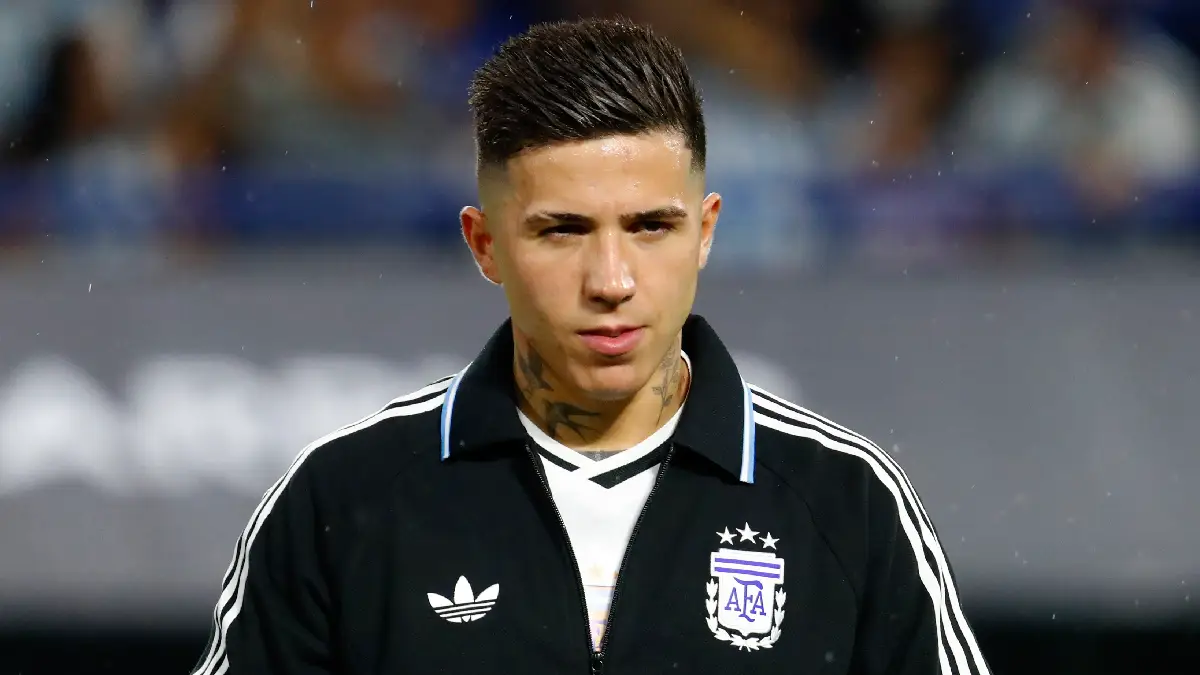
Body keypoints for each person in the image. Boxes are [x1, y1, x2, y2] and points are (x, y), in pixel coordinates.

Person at [189, 16, 991, 675]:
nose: (611, 279)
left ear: (706, 231)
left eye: (650, 227)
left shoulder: (845, 506)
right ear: (485, 244)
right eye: (562, 231)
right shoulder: (343, 505)